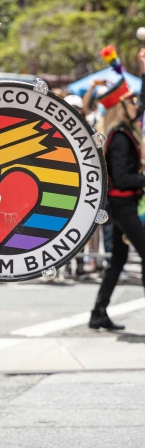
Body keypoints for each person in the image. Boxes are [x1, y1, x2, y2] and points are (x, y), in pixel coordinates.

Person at [89, 49, 145, 330]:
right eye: (130, 102)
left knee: (118, 261)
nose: (136, 105)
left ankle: (98, 312)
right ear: (120, 108)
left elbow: (143, 104)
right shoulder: (120, 138)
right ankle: (98, 312)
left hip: (123, 205)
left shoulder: (122, 131)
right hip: (122, 205)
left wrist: (144, 72)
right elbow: (122, 178)